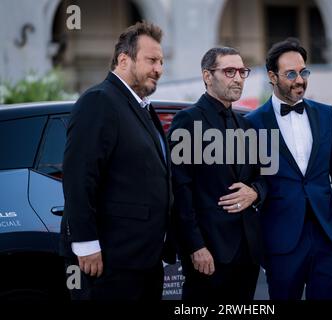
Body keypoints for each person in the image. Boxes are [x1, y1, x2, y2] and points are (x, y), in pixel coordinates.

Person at [60, 21, 173, 300]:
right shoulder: (99, 101)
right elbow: (78, 177)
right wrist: (86, 244)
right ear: (124, 60)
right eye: (151, 60)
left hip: (143, 260)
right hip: (110, 261)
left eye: (161, 61)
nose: (159, 69)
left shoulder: (141, 107)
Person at [246, 38, 332, 300]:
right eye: (290, 74)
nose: (300, 80)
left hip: (326, 237)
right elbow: (252, 181)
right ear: (272, 77)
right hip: (281, 241)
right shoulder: (251, 124)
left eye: (303, 72)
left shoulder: (326, 114)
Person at [168, 47, 267, 302]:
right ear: (207, 76)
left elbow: (263, 178)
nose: (238, 78)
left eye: (242, 72)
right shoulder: (186, 121)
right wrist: (195, 247)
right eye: (229, 71)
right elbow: (180, 190)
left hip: (247, 251)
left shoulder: (246, 124)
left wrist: (255, 192)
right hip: (209, 251)